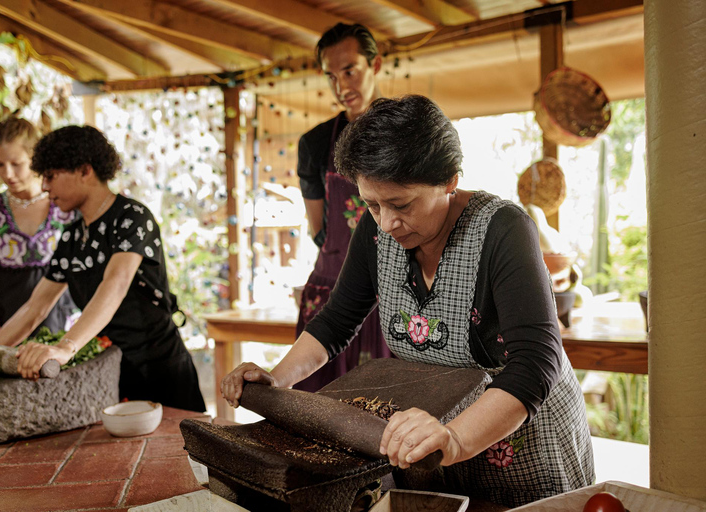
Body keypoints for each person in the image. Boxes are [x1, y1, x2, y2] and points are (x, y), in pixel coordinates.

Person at [222, 95, 594, 506]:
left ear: (450, 180)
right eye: (372, 204)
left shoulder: (503, 231)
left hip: (523, 444)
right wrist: (277, 379)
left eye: (401, 204)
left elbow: (536, 363)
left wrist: (454, 438)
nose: (386, 222)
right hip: (431, 444)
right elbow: (337, 322)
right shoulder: (377, 229)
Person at [0, 125, 206, 412]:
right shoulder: (72, 237)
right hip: (111, 372)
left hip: (162, 370)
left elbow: (115, 284)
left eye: (51, 176)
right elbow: (34, 309)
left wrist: (66, 347)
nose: (44, 186)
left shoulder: (133, 218)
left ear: (84, 170)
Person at [294, 22, 392, 392]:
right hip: (332, 296)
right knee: (318, 412)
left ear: (375, 64)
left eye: (349, 70)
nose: (341, 86)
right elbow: (320, 230)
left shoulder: (406, 133)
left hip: (396, 295)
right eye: (331, 76)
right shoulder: (315, 144)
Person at [0, 117, 79, 341]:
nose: (8, 174)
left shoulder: (68, 208)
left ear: (35, 157)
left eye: (16, 164)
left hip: (64, 333)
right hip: (5, 334)